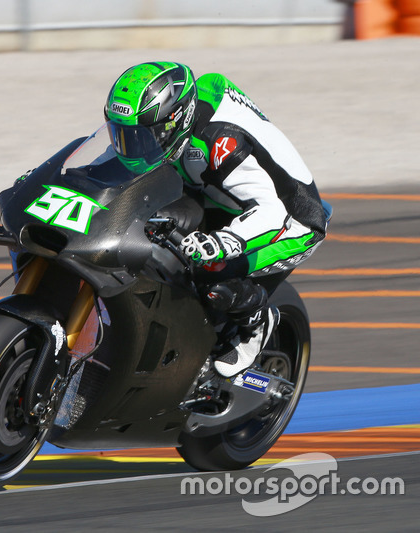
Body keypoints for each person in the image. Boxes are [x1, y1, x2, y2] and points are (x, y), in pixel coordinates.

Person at [104, 62, 328, 377]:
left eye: (142, 138)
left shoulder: (223, 142)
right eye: (124, 136)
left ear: (176, 121)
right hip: (218, 194)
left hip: (290, 220)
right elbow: (108, 162)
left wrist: (223, 243)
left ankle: (256, 321)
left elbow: (271, 211)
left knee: (212, 273)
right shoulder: (170, 129)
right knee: (152, 232)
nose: (132, 148)